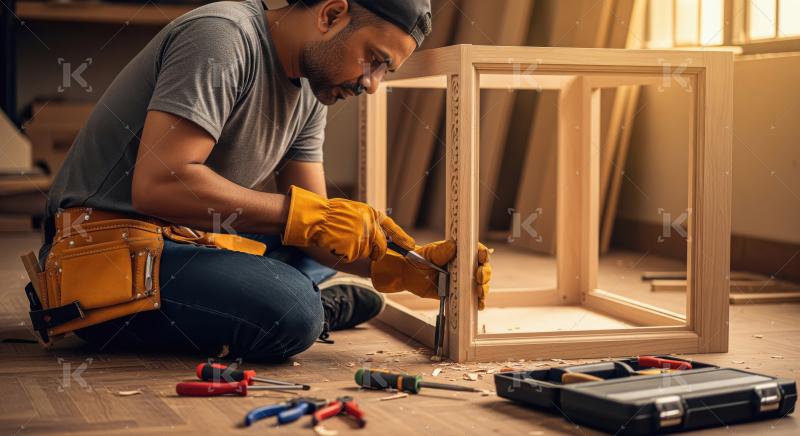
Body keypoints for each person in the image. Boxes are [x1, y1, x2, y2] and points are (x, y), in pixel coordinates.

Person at [33, 0, 491, 361]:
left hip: (185, 234)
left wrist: (398, 264)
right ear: (332, 14)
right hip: (101, 251)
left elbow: (317, 230)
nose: (371, 84)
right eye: (373, 59)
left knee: (322, 255)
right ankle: (306, 307)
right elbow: (160, 185)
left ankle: (270, 297)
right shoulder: (223, 37)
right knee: (291, 311)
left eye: (383, 71)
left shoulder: (311, 90)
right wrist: (309, 218)